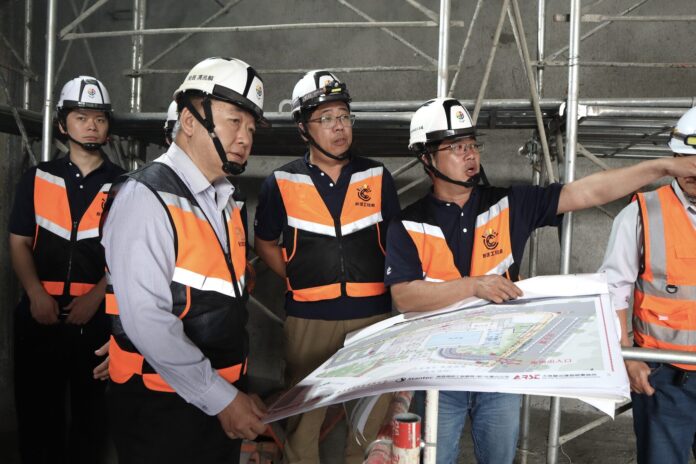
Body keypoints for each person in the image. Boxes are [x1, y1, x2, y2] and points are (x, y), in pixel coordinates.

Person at [384, 97, 696, 464]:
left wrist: (662, 166)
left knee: (499, 459)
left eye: (472, 144)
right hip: (439, 373)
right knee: (436, 459)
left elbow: (588, 192)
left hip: (499, 370)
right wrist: (474, 285)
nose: (469, 154)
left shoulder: (508, 203)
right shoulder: (408, 223)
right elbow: (405, 296)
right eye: (455, 147)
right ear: (427, 158)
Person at [101, 57, 268, 464]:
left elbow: (220, 297)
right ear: (190, 120)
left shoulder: (226, 199)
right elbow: (147, 320)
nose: (244, 137)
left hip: (216, 401)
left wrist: (232, 395)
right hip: (162, 408)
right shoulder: (145, 197)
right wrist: (223, 398)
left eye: (251, 128)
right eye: (234, 121)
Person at [254, 70, 400, 463]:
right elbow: (264, 242)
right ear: (303, 128)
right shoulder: (280, 182)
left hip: (373, 317)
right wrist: (296, 278)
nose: (339, 127)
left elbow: (398, 244)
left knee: (369, 420)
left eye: (344, 116)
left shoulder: (376, 176)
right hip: (309, 321)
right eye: (326, 118)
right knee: (303, 423)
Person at [9, 75, 124, 464]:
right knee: (38, 418)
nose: (91, 125)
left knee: (92, 420)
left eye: (99, 118)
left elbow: (126, 254)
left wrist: (95, 299)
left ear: (108, 127)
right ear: (62, 124)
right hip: (39, 314)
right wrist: (36, 294)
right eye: (81, 117)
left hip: (96, 319)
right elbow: (19, 242)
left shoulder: (124, 185)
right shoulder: (38, 178)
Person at [599, 106, 696, 464]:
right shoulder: (641, 214)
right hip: (664, 376)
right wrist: (629, 359)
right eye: (686, 160)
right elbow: (612, 293)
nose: (694, 170)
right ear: (673, 159)